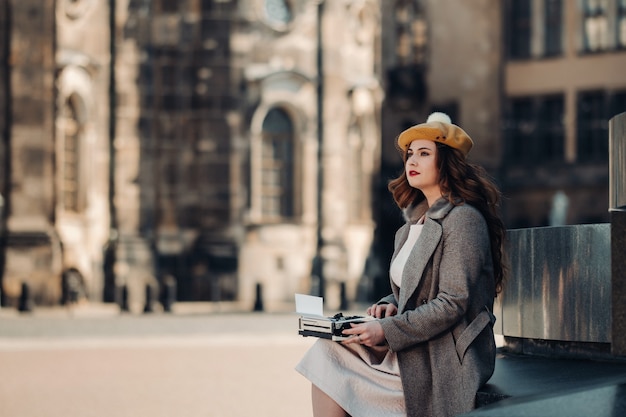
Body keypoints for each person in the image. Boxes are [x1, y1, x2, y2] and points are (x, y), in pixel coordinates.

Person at [296, 112, 507, 417]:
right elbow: (415, 290)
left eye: (424, 153)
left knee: (330, 362)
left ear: (446, 162)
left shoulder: (464, 220)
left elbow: (453, 302)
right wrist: (389, 304)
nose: (412, 161)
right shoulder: (410, 228)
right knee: (327, 353)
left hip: (445, 357)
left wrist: (385, 330)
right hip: (414, 344)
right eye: (410, 154)